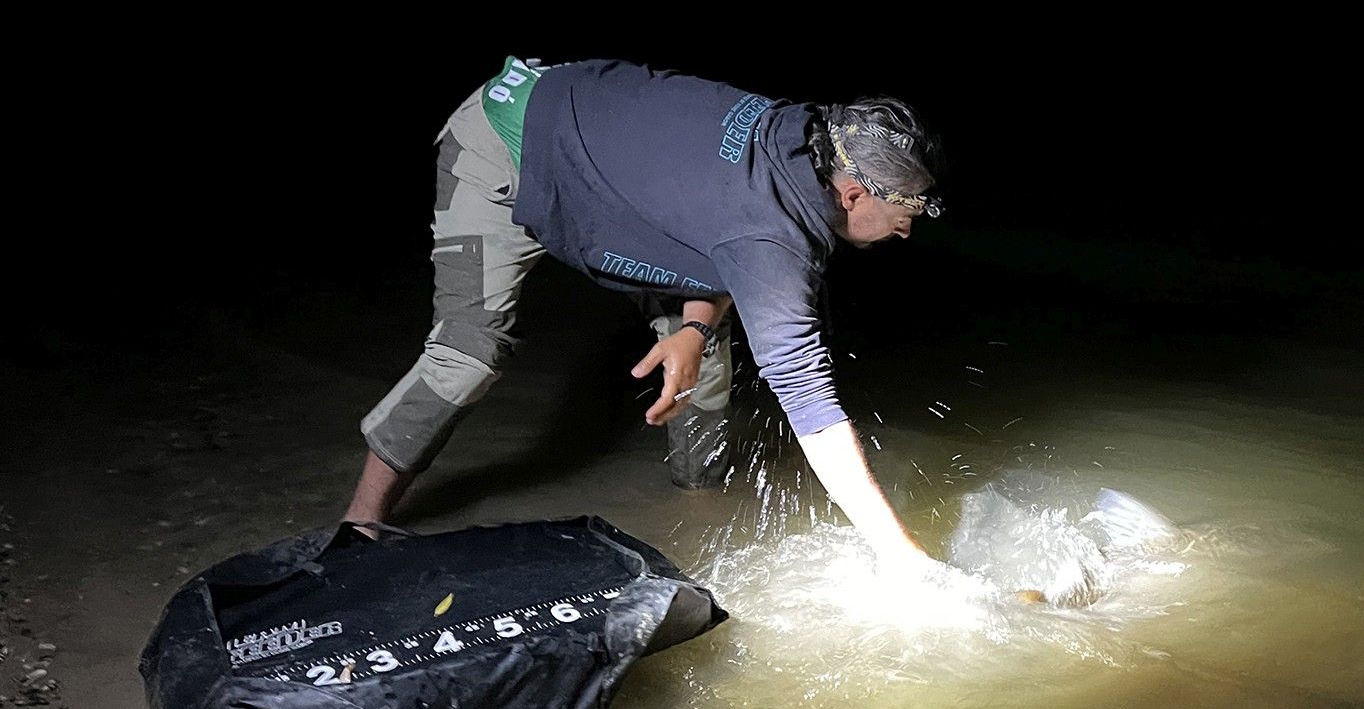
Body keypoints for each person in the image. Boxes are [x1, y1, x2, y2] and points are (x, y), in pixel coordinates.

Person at [345, 54, 944, 574]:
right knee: (470, 353)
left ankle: (699, 498)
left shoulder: (803, 132)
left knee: (703, 350)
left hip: (599, 162)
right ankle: (359, 526)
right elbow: (808, 401)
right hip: (504, 144)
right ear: (853, 193)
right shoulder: (770, 236)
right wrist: (897, 551)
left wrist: (693, 325)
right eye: (909, 207)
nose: (909, 225)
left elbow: (718, 224)